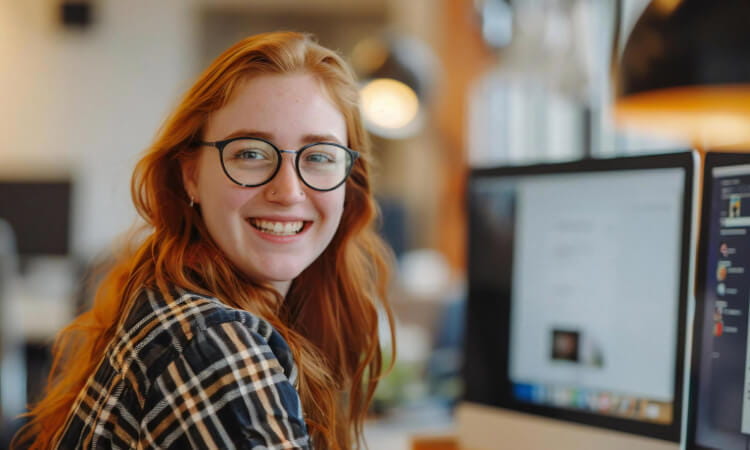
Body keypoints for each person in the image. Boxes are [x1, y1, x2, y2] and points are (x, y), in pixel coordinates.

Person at [13, 31, 395, 449]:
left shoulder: (179, 302)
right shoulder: (212, 347)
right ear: (191, 174)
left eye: (320, 156)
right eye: (250, 153)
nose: (287, 191)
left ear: (349, 182)